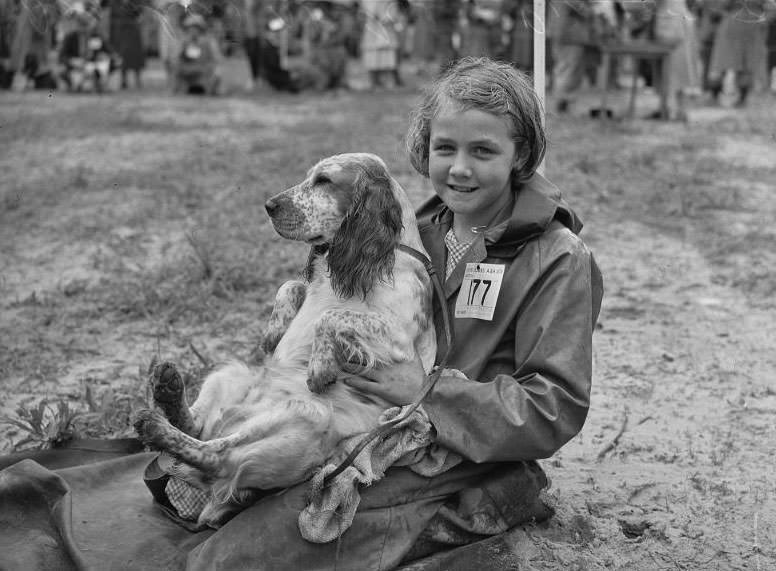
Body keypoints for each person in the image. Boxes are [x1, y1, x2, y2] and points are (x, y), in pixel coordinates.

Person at [182, 56, 603, 570]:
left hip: (451, 448)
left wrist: (425, 392)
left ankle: (498, 493)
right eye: (444, 148)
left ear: (522, 156)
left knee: (254, 548)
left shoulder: (558, 259)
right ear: (424, 148)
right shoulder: (409, 232)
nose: (460, 167)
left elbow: (552, 407)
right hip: (347, 423)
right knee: (199, 480)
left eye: (484, 151)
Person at [173, 12, 222, 95]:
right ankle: (178, 89)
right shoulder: (184, 42)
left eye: (195, 28)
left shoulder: (209, 42)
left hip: (204, 73)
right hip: (188, 73)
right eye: (190, 28)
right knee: (177, 69)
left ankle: (210, 89)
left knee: (216, 74)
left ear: (200, 29)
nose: (193, 30)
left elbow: (216, 59)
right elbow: (176, 58)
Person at [108, 0, 146, 89]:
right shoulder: (115, 3)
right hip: (121, 31)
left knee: (136, 55)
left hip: (133, 30)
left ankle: (138, 79)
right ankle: (123, 80)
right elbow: (112, 16)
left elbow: (140, 14)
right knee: (123, 55)